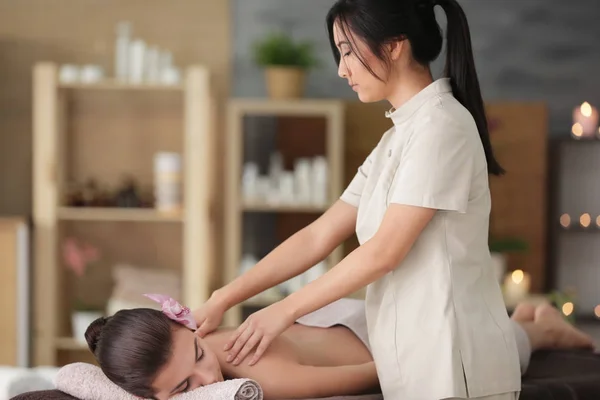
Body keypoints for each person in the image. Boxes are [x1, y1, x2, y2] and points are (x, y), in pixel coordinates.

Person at [194, 0, 526, 398]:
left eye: (348, 50)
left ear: (394, 45)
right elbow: (318, 237)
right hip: (414, 359)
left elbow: (384, 252)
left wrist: (282, 311)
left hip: (455, 363)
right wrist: (223, 298)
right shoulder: (398, 137)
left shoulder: (441, 127)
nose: (341, 68)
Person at [84, 298, 595, 400]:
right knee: (496, 329)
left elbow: (377, 375)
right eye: (183, 390)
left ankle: (539, 326)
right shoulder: (199, 350)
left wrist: (438, 357)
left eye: (197, 357)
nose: (208, 381)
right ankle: (520, 315)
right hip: (341, 320)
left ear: (189, 329)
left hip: (377, 336)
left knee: (493, 354)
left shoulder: (264, 380)